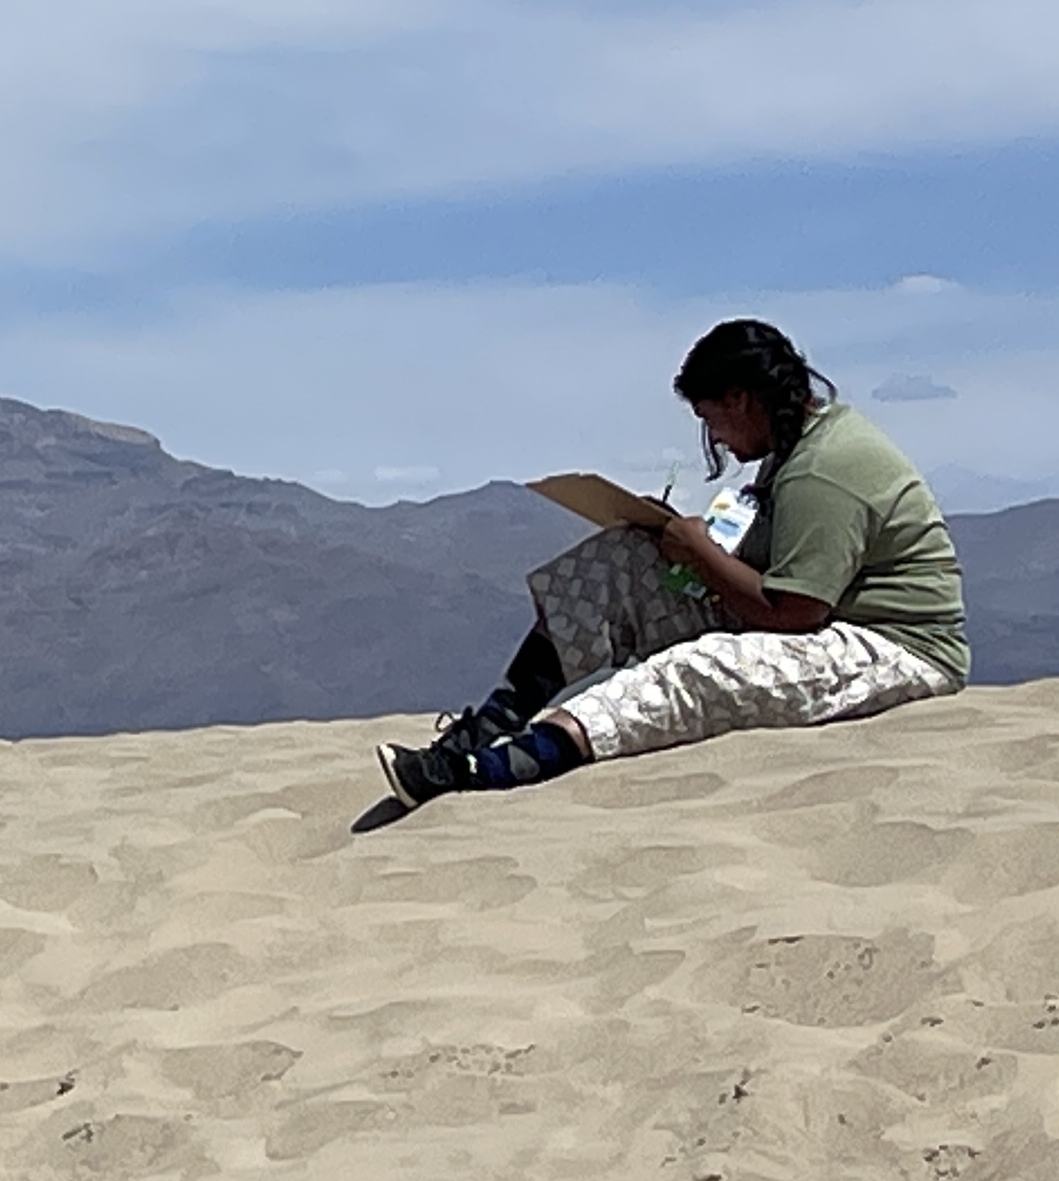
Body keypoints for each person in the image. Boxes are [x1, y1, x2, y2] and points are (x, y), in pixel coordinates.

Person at [367, 318, 967, 818]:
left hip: (894, 647)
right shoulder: (797, 448)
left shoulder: (823, 468)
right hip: (821, 618)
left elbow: (795, 613)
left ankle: (489, 769)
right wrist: (676, 543)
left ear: (740, 398)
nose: (715, 437)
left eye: (712, 418)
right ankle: (491, 725)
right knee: (621, 562)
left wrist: (701, 553)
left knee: (692, 670)